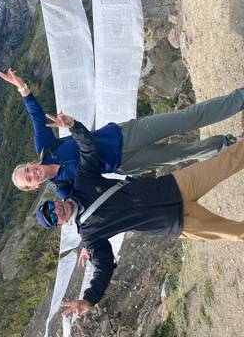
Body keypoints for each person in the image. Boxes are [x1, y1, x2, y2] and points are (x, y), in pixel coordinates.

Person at [35, 112, 244, 317]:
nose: (56, 212)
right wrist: (90, 298)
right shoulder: (90, 236)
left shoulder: (83, 183)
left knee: (227, 162)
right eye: (53, 218)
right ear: (60, 224)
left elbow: (89, 150)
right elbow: (103, 267)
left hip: (174, 187)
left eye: (50, 208)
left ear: (55, 201)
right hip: (176, 223)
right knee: (236, 233)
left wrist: (74, 126)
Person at [0, 68, 244, 199]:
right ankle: (226, 144)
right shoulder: (64, 187)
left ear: (30, 164)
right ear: (33, 187)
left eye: (27, 170)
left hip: (123, 135)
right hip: (126, 164)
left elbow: (36, 116)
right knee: (180, 154)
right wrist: (87, 247)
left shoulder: (45, 148)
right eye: (29, 179)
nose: (32, 173)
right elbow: (80, 211)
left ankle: (239, 99)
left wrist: (22, 87)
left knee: (184, 119)